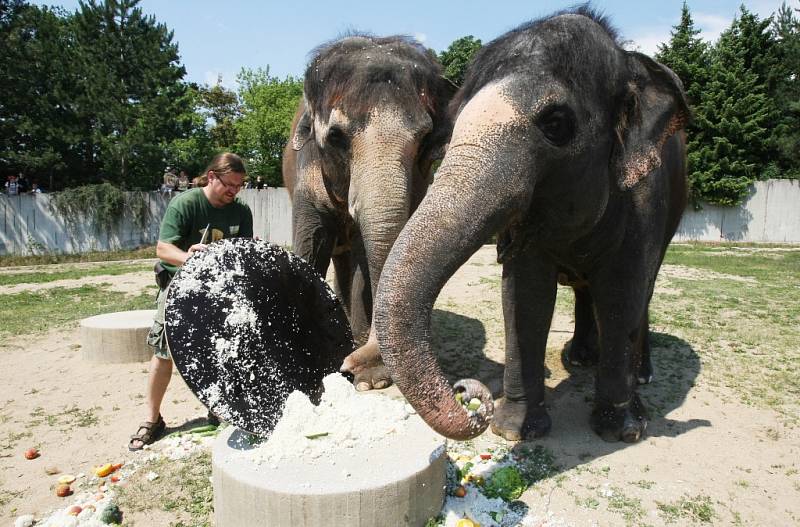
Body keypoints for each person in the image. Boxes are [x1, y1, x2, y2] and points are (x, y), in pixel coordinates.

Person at [129, 152, 254, 451]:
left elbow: (244, 251)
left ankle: (219, 407)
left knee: (224, 350)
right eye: (229, 185)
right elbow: (163, 249)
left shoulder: (241, 211)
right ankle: (152, 419)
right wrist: (190, 259)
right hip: (178, 287)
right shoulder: (185, 203)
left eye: (239, 186)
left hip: (219, 291)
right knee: (164, 354)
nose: (234, 191)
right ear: (212, 176)